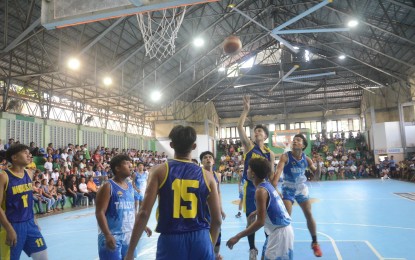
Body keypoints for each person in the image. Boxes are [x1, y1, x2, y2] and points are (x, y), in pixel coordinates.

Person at [125, 125, 222, 260]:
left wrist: (130, 252)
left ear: (171, 145)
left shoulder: (159, 171)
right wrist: (209, 247)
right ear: (194, 146)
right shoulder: (208, 176)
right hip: (201, 238)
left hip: (171, 239)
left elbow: (143, 213)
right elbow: (217, 220)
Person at [227, 158, 293, 260]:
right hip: (277, 231)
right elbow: (272, 206)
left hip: (280, 234)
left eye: (248, 169)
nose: (246, 171)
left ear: (253, 174)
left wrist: (238, 236)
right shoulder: (267, 185)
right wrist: (256, 212)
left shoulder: (261, 191)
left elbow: (260, 222)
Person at [237, 96, 275, 260]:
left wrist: (273, 190)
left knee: (266, 219)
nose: (256, 132)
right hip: (250, 187)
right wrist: (245, 111)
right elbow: (239, 127)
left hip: (265, 187)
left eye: (260, 131)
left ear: (265, 136)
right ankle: (252, 249)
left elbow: (272, 175)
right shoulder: (249, 147)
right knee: (251, 219)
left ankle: (268, 246)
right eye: (255, 131)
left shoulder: (269, 153)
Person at [272, 134, 322, 257]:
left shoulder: (307, 159)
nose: (294, 141)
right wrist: (274, 186)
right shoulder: (285, 157)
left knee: (309, 214)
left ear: (303, 145)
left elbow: (316, 175)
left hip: (301, 189)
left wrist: (319, 164)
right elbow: (278, 172)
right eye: (294, 140)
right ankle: (284, 245)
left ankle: (315, 242)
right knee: (287, 218)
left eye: (298, 140)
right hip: (288, 189)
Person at [95, 154, 151, 260]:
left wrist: (142, 225)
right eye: (127, 164)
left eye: (130, 164)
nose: (130, 166)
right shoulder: (108, 186)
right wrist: (107, 234)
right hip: (112, 236)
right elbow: (100, 212)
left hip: (128, 236)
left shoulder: (130, 187)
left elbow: (131, 210)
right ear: (117, 168)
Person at [0, 144, 48, 259]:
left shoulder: (29, 173)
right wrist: (8, 228)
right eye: (25, 153)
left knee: (42, 256)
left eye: (29, 153)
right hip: (12, 225)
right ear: (14, 157)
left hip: (30, 223)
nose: (29, 155)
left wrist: (34, 220)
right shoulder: (4, 176)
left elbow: (28, 200)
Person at [200, 151, 226, 260]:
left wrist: (220, 208)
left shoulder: (217, 175)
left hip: (213, 209)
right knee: (204, 233)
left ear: (213, 161)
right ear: (201, 161)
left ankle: (215, 255)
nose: (208, 159)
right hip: (202, 210)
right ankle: (206, 254)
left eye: (210, 157)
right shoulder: (199, 175)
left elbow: (218, 192)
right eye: (205, 157)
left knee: (218, 231)